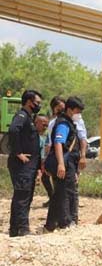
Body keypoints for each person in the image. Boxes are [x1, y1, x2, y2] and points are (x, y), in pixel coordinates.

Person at [44, 96, 84, 232]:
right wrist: (61, 164)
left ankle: (50, 225)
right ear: (70, 110)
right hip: (64, 164)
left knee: (59, 194)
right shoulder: (63, 124)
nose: (79, 115)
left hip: (68, 163)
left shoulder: (68, 123)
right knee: (65, 193)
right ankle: (65, 223)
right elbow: (58, 143)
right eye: (77, 111)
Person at [7, 89, 43, 237]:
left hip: (29, 166)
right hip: (22, 165)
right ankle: (22, 229)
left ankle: (15, 229)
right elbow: (13, 130)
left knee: (23, 196)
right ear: (29, 102)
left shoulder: (29, 117)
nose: (39, 105)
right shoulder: (22, 116)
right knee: (22, 196)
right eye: (38, 103)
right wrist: (18, 153)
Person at [42, 95, 65, 208]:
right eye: (58, 107)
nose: (60, 109)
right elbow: (51, 142)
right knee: (49, 178)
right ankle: (53, 199)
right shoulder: (52, 123)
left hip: (65, 155)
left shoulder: (68, 121)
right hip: (55, 154)